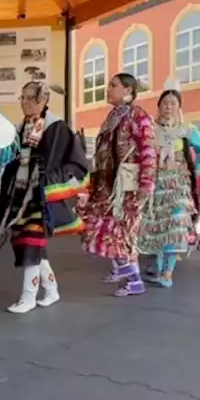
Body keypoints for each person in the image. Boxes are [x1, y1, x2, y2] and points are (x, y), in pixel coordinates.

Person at [0, 81, 88, 310]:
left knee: (32, 241)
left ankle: (28, 296)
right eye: (22, 97)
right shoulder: (22, 126)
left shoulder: (56, 127)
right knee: (28, 242)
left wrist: (46, 180)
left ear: (42, 100)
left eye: (28, 98)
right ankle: (52, 289)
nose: (23, 102)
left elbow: (71, 161)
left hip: (39, 194)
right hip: (21, 192)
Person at [82, 73, 158, 296]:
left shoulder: (138, 116)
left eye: (113, 85)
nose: (108, 89)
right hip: (108, 184)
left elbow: (148, 150)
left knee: (121, 233)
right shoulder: (112, 117)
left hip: (127, 185)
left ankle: (135, 281)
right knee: (103, 228)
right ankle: (127, 275)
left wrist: (146, 183)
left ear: (128, 90)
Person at [137, 83, 200, 288]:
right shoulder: (151, 129)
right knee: (157, 227)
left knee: (174, 227)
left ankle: (167, 273)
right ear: (159, 106)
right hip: (156, 184)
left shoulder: (187, 129)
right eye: (165, 103)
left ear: (179, 107)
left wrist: (198, 168)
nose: (168, 107)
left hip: (178, 184)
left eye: (173, 103)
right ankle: (159, 270)